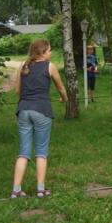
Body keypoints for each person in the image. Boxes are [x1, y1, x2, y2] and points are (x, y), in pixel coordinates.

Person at [11, 39, 68, 198]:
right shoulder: (50, 66)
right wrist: (64, 99)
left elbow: (18, 91)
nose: (51, 52)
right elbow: (61, 87)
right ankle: (41, 189)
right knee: (41, 152)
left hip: (23, 111)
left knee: (23, 153)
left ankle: (16, 190)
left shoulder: (24, 66)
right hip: (42, 111)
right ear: (42, 52)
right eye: (49, 50)